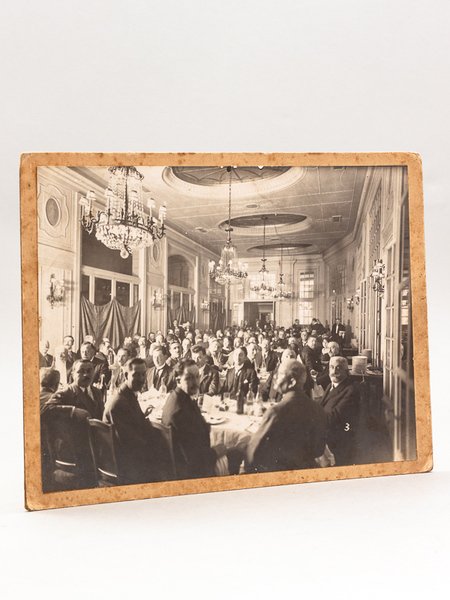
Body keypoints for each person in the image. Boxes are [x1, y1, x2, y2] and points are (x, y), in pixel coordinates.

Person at [246, 359, 327, 473]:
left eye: (279, 374)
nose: (275, 377)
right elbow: (319, 450)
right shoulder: (318, 409)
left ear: (292, 382)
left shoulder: (276, 412)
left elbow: (253, 453)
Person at [103, 358, 171, 484]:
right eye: (136, 375)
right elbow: (129, 442)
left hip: (126, 454)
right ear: (126, 375)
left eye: (143, 374)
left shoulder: (127, 394)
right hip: (125, 464)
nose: (141, 379)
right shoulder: (120, 402)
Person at [162, 359, 220, 479]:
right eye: (189, 378)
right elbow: (195, 458)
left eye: (197, 377)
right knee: (238, 451)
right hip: (192, 472)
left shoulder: (176, 397)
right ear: (178, 380)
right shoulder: (181, 410)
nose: (196, 382)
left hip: (183, 464)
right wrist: (216, 452)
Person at [320, 357, 360, 466]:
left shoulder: (351, 390)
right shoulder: (330, 386)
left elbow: (335, 416)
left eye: (338, 368)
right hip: (325, 434)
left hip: (338, 441)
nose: (334, 371)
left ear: (346, 371)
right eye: (331, 367)